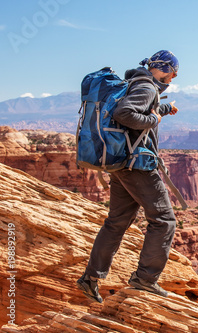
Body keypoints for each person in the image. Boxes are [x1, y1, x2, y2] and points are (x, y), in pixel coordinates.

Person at [76, 50, 179, 303]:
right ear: (164, 69)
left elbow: (140, 108)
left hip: (121, 165)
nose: (173, 79)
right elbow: (125, 114)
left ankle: (90, 279)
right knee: (164, 221)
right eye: (173, 73)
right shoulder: (147, 87)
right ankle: (145, 280)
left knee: (117, 222)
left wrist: (164, 108)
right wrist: (154, 117)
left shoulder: (134, 82)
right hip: (138, 166)